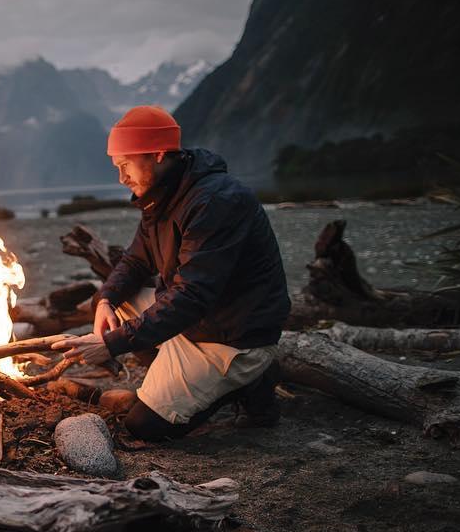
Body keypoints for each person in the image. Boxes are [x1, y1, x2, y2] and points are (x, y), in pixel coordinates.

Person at [52, 105, 291, 441]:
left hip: (231, 340)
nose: (121, 178)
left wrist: (111, 344)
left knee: (144, 426)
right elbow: (135, 261)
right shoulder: (160, 196)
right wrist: (105, 299)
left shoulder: (215, 201)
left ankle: (251, 381)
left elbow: (192, 296)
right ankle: (185, 377)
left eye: (125, 165)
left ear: (159, 155)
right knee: (115, 302)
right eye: (116, 167)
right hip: (199, 323)